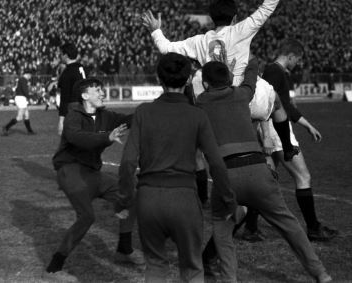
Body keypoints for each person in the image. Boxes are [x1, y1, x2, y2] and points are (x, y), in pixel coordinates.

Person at [141, 0, 298, 161]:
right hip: (245, 98)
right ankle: (287, 147)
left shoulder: (199, 41)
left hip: (214, 104)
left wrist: (155, 30)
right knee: (276, 101)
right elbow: (266, 8)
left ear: (211, 19)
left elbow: (165, 48)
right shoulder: (241, 30)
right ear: (234, 18)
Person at [197, 56, 332, 283]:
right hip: (258, 169)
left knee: (222, 228)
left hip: (226, 175)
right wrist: (249, 60)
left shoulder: (200, 102)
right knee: (289, 224)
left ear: (206, 84)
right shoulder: (241, 95)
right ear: (229, 79)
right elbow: (251, 76)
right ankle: (321, 273)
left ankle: (229, 279)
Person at [116, 52, 237, 283]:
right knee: (192, 268)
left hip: (149, 199)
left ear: (158, 79)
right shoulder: (197, 115)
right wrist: (229, 200)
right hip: (184, 199)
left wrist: (123, 200)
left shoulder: (143, 112)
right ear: (189, 79)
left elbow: (128, 162)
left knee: (156, 265)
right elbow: (216, 163)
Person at [46, 77, 142, 279]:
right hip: (70, 171)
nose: (101, 93)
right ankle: (55, 264)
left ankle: (124, 249)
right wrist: (106, 138)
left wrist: (150, 112)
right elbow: (77, 138)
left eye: (101, 89)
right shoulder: (73, 115)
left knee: (131, 194)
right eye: (97, 90)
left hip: (92, 173)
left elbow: (129, 120)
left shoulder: (105, 116)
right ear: (84, 95)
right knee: (87, 217)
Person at [246, 40, 338, 242]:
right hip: (277, 132)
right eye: (299, 59)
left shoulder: (274, 71)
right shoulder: (275, 71)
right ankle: (313, 228)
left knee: (267, 181)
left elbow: (283, 104)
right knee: (303, 176)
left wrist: (307, 125)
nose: (299, 63)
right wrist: (269, 134)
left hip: (273, 130)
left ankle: (250, 227)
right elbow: (273, 104)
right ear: (290, 56)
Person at [57, 42, 87, 135]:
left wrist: (61, 119)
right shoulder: (81, 68)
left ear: (65, 55)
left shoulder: (67, 72)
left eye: (61, 54)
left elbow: (64, 97)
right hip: (84, 108)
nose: (60, 56)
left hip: (73, 110)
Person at [2, 71, 35, 135]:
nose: (30, 77)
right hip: (21, 98)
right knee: (19, 117)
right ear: (27, 74)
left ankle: (30, 131)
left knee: (27, 115)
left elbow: (19, 89)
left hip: (21, 98)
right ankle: (6, 128)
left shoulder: (21, 79)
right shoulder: (23, 80)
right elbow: (25, 90)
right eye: (30, 76)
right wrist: (29, 98)